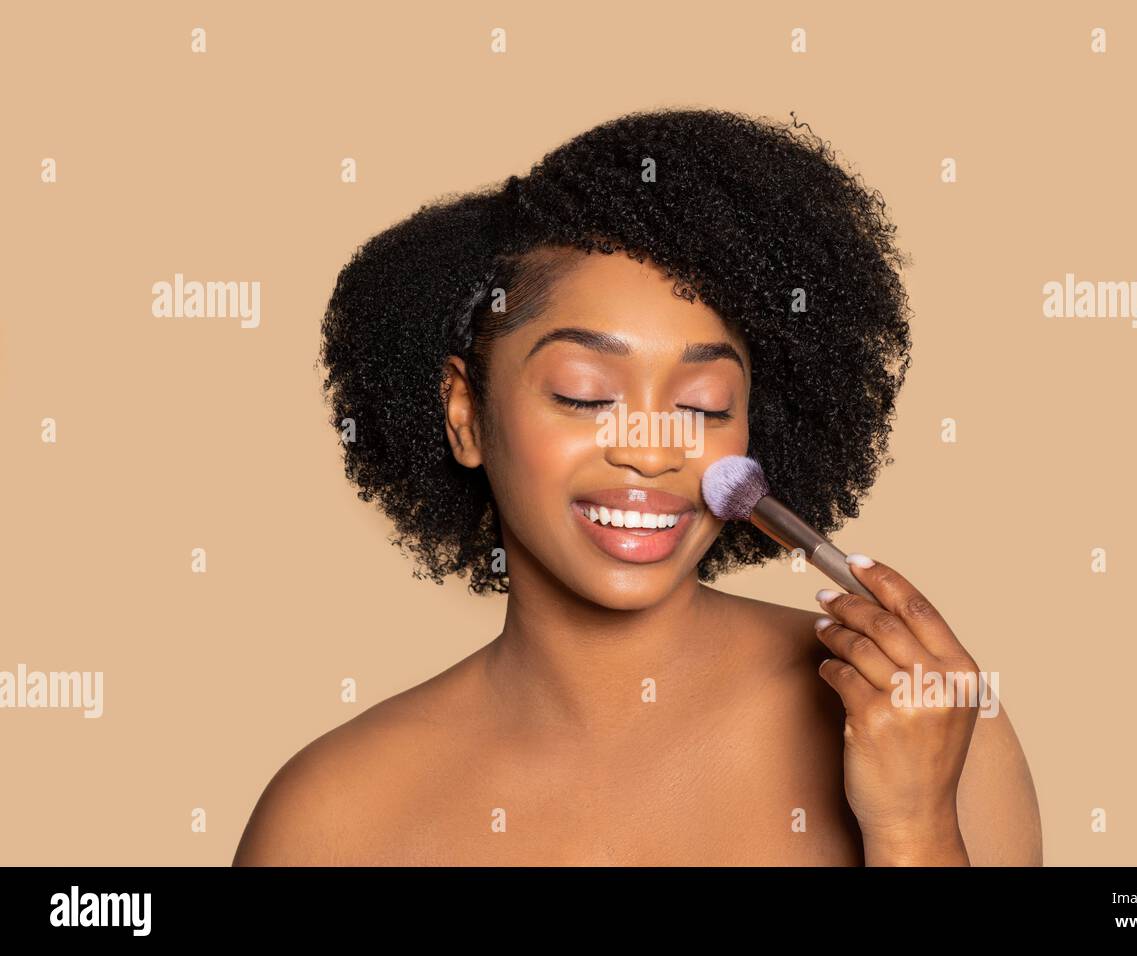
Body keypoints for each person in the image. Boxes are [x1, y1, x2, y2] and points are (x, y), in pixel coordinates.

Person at [233, 107, 1042, 866]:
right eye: (586, 393)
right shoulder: (331, 819)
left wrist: (915, 827)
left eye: (703, 405)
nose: (653, 453)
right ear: (467, 414)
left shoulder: (926, 728)